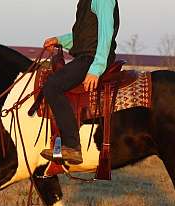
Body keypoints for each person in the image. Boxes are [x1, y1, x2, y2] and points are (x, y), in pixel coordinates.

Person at [40, 0, 120, 165]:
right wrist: (59, 40)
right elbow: (84, 37)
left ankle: (72, 146)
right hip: (86, 55)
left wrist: (96, 68)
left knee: (53, 86)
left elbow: (106, 35)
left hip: (91, 59)